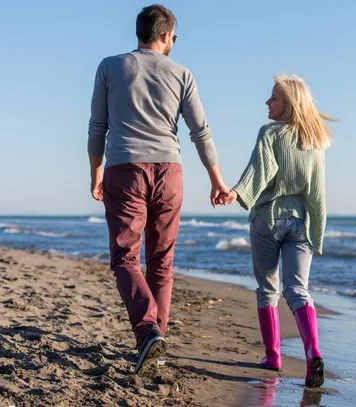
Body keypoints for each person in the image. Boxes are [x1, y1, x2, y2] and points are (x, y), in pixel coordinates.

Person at [87, 4, 229, 374]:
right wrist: (216, 180)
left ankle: (148, 331)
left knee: (125, 258)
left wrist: (95, 172)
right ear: (165, 36)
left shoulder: (110, 66)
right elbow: (201, 132)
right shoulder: (182, 73)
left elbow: (97, 127)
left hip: (125, 168)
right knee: (161, 261)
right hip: (170, 171)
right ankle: (156, 343)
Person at [221, 74, 334, 387]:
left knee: (267, 289)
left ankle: (273, 355)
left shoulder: (270, 132)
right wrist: (317, 232)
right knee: (298, 290)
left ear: (289, 103)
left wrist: (236, 193)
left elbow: (261, 171)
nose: (267, 102)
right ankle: (313, 353)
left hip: (268, 220)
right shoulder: (316, 140)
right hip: (300, 224)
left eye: (274, 98)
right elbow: (317, 192)